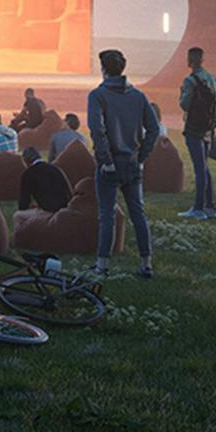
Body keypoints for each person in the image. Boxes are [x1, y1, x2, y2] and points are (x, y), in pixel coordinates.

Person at [87, 48, 159, 279]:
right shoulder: (138, 96)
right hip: (132, 163)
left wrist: (106, 159)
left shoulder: (97, 96)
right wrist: (141, 157)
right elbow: (154, 128)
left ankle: (102, 265)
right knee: (138, 213)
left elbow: (97, 130)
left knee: (107, 215)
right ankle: (146, 263)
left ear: (104, 69)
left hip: (110, 164)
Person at [177, 46, 216, 220]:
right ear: (203, 60)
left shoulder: (190, 81)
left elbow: (184, 105)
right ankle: (210, 206)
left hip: (194, 128)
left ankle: (198, 208)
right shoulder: (213, 79)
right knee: (205, 166)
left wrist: (181, 93)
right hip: (208, 128)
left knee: (199, 168)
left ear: (189, 61)